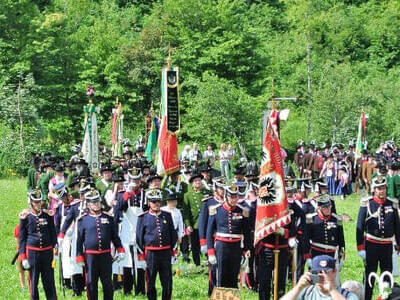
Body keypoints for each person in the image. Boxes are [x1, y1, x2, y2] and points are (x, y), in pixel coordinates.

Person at [76, 189, 125, 300]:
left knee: (107, 284)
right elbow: (79, 241)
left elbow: (115, 237)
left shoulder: (108, 218)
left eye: (97, 201)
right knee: (91, 283)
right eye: (93, 202)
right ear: (88, 204)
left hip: (105, 256)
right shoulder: (83, 220)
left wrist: (120, 249)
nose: (96, 204)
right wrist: (79, 255)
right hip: (90, 257)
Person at [356, 176, 400, 300]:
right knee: (370, 275)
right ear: (374, 190)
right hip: (371, 245)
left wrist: (398, 244)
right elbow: (359, 226)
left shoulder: (392, 204)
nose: (382, 191)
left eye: (383, 188)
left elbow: (397, 226)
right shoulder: (367, 203)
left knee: (387, 275)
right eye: (379, 189)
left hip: (386, 246)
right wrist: (360, 248)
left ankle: (386, 297)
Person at [206, 184, 251, 289]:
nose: (234, 199)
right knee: (220, 276)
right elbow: (209, 232)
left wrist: (246, 250)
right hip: (221, 246)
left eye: (236, 197)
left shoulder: (243, 211)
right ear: (226, 197)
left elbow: (247, 232)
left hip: (236, 247)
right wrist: (211, 252)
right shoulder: (216, 210)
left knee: (233, 275)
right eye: (231, 197)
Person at [136, 189, 178, 300]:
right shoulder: (143, 217)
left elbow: (173, 234)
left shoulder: (167, 216)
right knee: (150, 280)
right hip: (151, 253)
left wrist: (174, 252)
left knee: (167, 280)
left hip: (165, 252)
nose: (156, 204)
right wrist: (141, 257)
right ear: (149, 203)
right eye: (154, 202)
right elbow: (139, 238)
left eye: (158, 201)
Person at [18, 189, 57, 300]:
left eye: (40, 201)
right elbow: (22, 239)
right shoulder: (25, 217)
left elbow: (53, 234)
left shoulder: (47, 215)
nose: (39, 204)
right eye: (36, 202)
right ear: (31, 203)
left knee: (49, 282)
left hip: (47, 253)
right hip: (33, 254)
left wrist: (56, 249)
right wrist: (23, 257)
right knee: (33, 283)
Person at [280, 255, 358, 300]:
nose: (320, 276)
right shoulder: (307, 293)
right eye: (316, 272)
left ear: (334, 272)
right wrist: (298, 288)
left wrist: (332, 290)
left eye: (325, 272)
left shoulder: (347, 295)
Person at [183, 172, 211, 266]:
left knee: (208, 242)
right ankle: (197, 264)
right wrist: (188, 225)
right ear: (192, 183)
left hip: (207, 223)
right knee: (195, 245)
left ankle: (209, 261)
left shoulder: (207, 192)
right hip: (195, 224)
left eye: (199, 180)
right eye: (195, 181)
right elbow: (186, 212)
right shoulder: (187, 195)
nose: (198, 182)